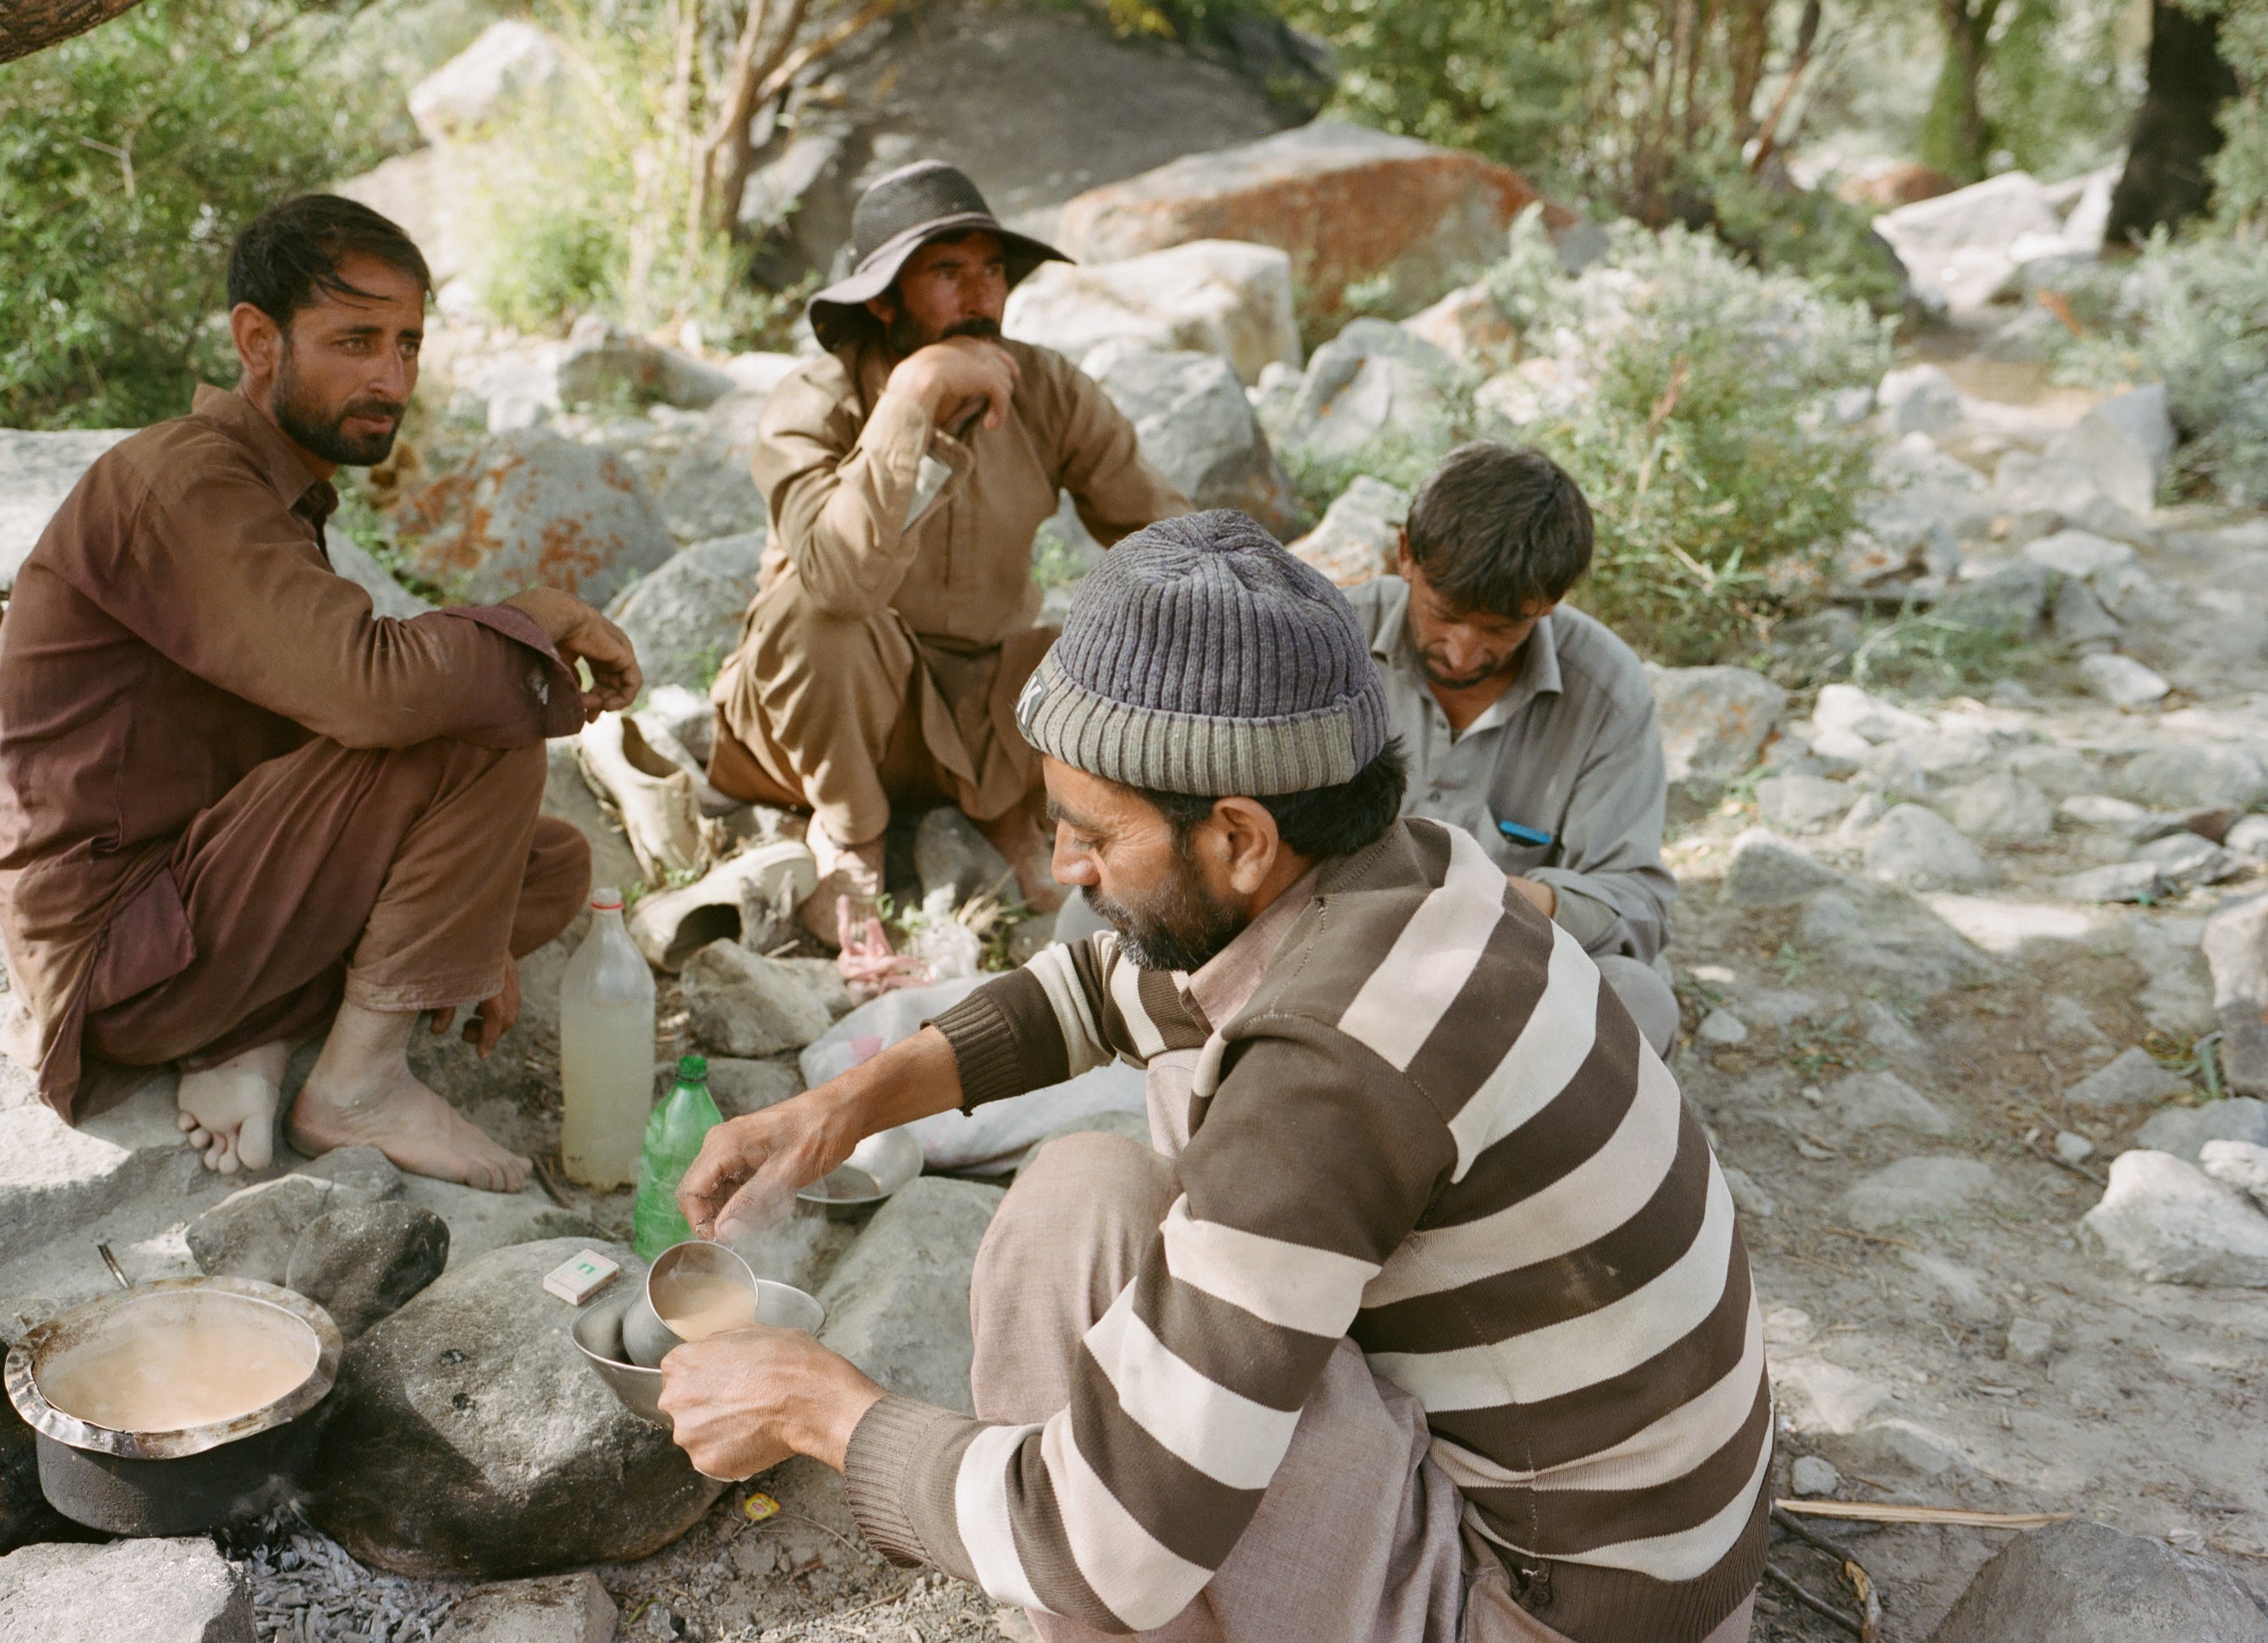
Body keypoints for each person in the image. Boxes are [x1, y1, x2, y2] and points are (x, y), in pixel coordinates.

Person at [657, 513, 1768, 1643]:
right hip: (1630, 1557)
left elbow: (1096, 1549)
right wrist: (839, 1108)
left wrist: (820, 1408)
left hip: (1541, 1612)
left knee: (1067, 1238)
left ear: (1239, 837)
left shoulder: (1327, 1073)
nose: (1063, 870)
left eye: (1092, 835)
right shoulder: (1402, 873)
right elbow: (1096, 992)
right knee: (1091, 1189)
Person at [0, 194, 642, 1191]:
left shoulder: (274, 488)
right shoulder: (185, 481)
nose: (393, 376)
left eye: (409, 344)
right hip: (120, 951)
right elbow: (372, 694)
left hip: (201, 895)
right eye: (356, 340)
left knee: (542, 864)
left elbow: (325, 725)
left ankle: (249, 1042)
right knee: (485, 710)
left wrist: (464, 922)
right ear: (257, 339)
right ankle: (354, 1085)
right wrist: (536, 614)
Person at [707, 158, 1188, 942]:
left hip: (989, 719)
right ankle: (850, 834)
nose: (981, 295)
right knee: (815, 610)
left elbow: (1163, 534)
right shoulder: (812, 403)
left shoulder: (1048, 389)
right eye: (948, 272)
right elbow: (842, 584)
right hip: (835, 713)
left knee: (1140, 621)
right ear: (886, 298)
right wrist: (911, 398)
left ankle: (1019, 815)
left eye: (993, 270)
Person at [1343, 441, 1682, 1052]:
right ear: (1405, 556)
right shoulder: (1327, 638)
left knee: (1638, 997)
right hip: (1330, 953)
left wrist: (1521, 902)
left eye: (1501, 629)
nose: (1462, 651)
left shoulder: (1606, 693)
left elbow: (1639, 898)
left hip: (1500, 976)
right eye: (1442, 614)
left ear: (1550, 603)